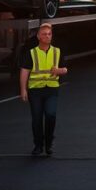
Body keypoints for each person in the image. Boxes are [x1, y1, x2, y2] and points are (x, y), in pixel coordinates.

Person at [19, 23, 67, 156]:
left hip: (51, 89)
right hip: (35, 90)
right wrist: (23, 89)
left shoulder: (57, 51)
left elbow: (65, 68)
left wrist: (60, 70)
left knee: (51, 115)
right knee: (37, 118)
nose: (47, 36)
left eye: (49, 34)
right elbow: (24, 71)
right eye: (44, 34)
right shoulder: (32, 53)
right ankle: (38, 146)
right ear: (38, 36)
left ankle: (49, 143)